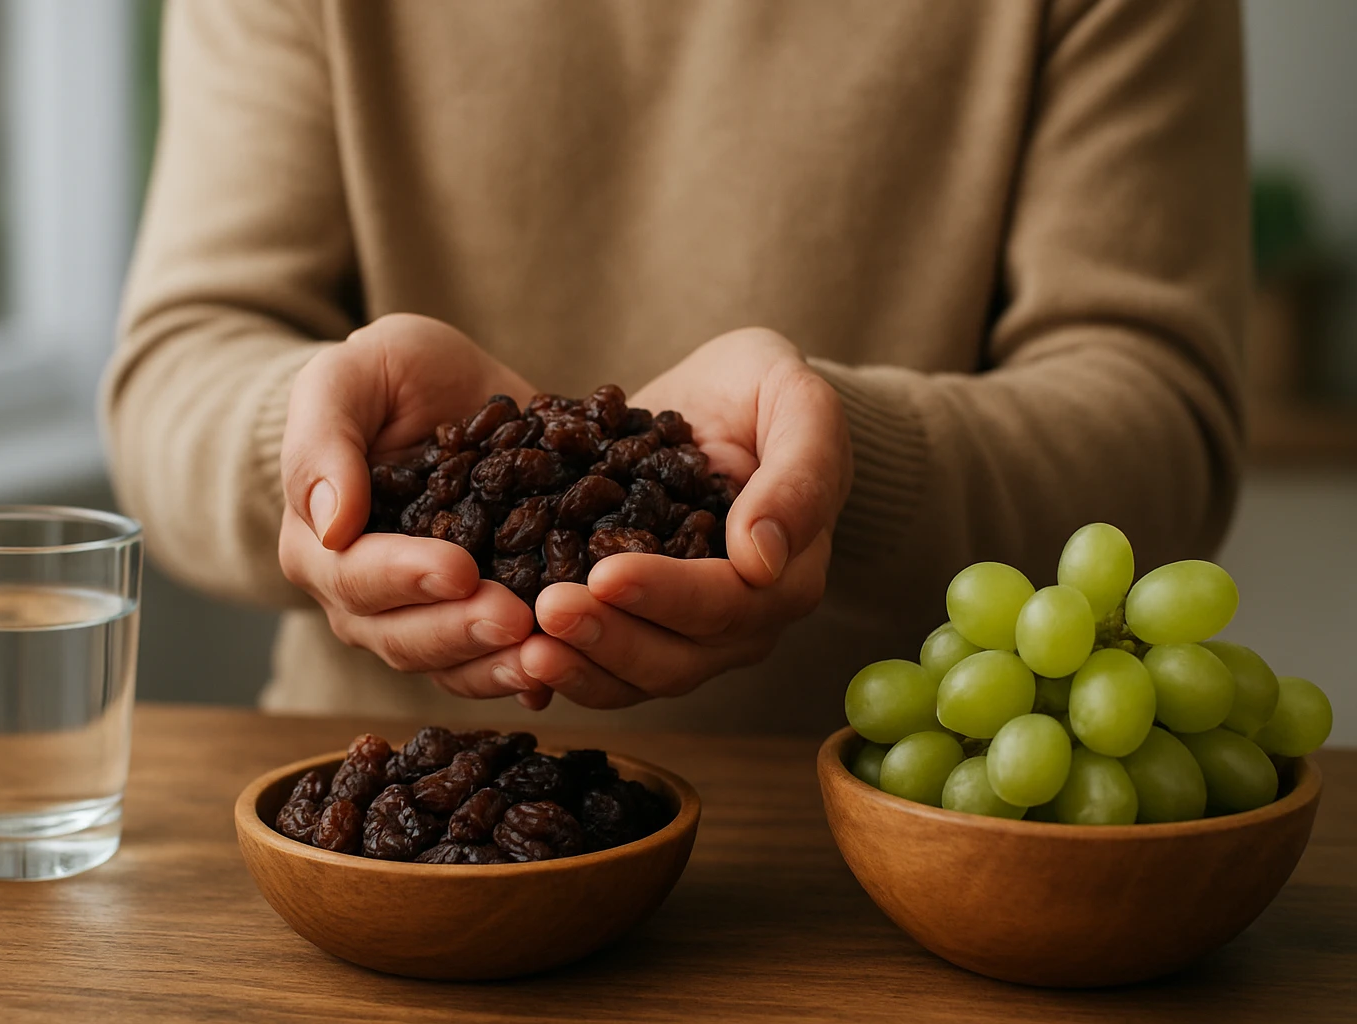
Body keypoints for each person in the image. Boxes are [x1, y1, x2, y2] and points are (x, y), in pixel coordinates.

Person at [103, 0, 1247, 733]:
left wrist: (846, 464)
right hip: (391, 842)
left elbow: (1161, 419)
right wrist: (309, 445)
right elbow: (176, 369)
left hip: (883, 844)